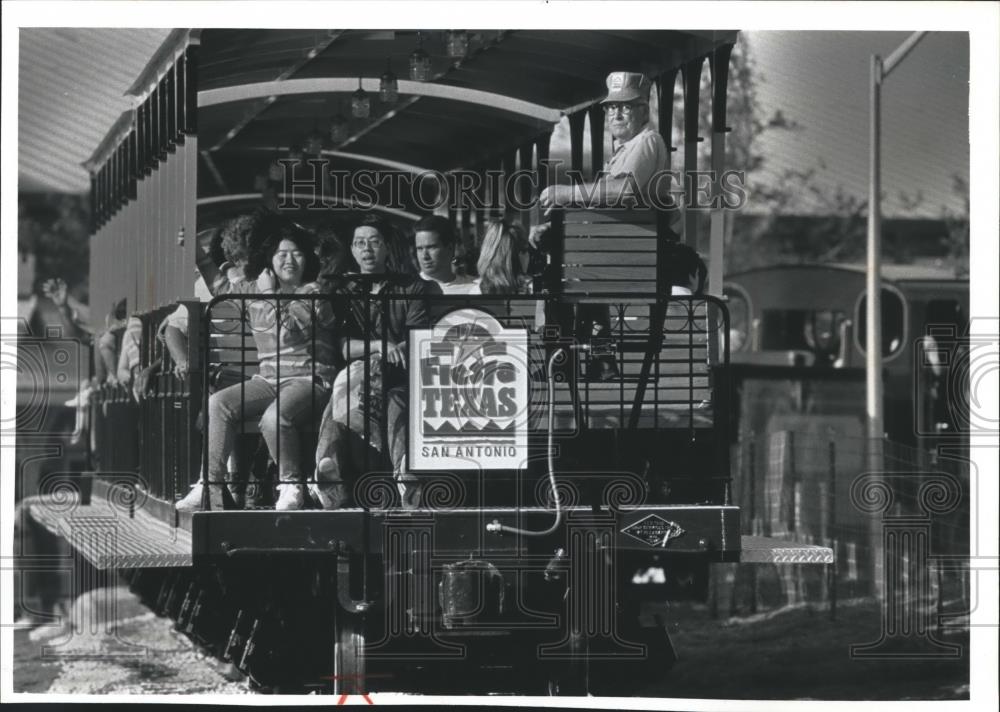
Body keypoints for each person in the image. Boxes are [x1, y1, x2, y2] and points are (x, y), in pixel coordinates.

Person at [176, 214, 337, 512]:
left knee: (275, 418)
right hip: (269, 381)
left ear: (307, 259)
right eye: (281, 254)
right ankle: (209, 484)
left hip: (309, 381)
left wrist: (267, 293)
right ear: (270, 260)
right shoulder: (254, 291)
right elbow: (221, 287)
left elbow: (288, 328)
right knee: (218, 404)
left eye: (297, 253)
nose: (289, 260)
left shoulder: (314, 293)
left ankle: (291, 486)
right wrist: (197, 254)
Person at [312, 213, 440, 510]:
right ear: (353, 250)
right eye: (359, 243)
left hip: (403, 374)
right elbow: (343, 345)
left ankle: (394, 476)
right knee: (341, 392)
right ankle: (333, 472)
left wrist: (390, 351)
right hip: (359, 376)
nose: (366, 249)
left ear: (386, 247)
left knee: (393, 400)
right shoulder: (345, 291)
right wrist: (378, 347)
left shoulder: (411, 287)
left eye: (373, 242)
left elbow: (418, 337)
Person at [412, 215, 476, 294]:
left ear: (449, 248)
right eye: (419, 248)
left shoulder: (474, 288)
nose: (424, 256)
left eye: (431, 247)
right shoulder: (407, 290)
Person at [470, 220, 533, 296]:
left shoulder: (474, 292)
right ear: (519, 255)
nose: (529, 256)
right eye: (526, 250)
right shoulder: (534, 290)